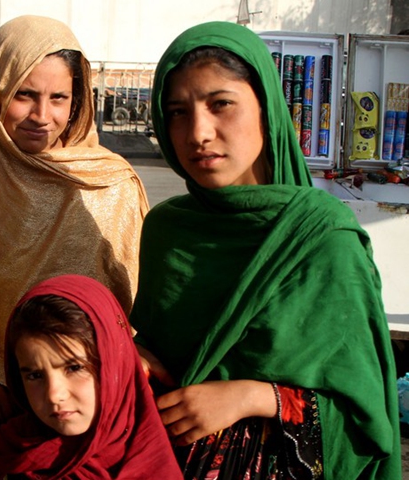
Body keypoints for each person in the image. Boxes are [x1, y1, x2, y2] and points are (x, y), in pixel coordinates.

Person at [130, 21, 400, 478]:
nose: (198, 132)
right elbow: (162, 357)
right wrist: (134, 358)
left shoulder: (322, 237)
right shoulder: (167, 231)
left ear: (267, 109)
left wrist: (252, 396)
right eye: (177, 112)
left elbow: (365, 409)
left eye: (221, 104)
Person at [0, 14, 148, 428]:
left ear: (78, 101)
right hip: (2, 402)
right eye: (24, 94)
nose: (42, 115)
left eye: (59, 97)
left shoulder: (110, 183)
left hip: (98, 399)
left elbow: (136, 306)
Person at [0, 274, 181, 479]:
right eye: (34, 375)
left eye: (74, 368)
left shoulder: (155, 461)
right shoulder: (11, 451)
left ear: (115, 366)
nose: (54, 395)